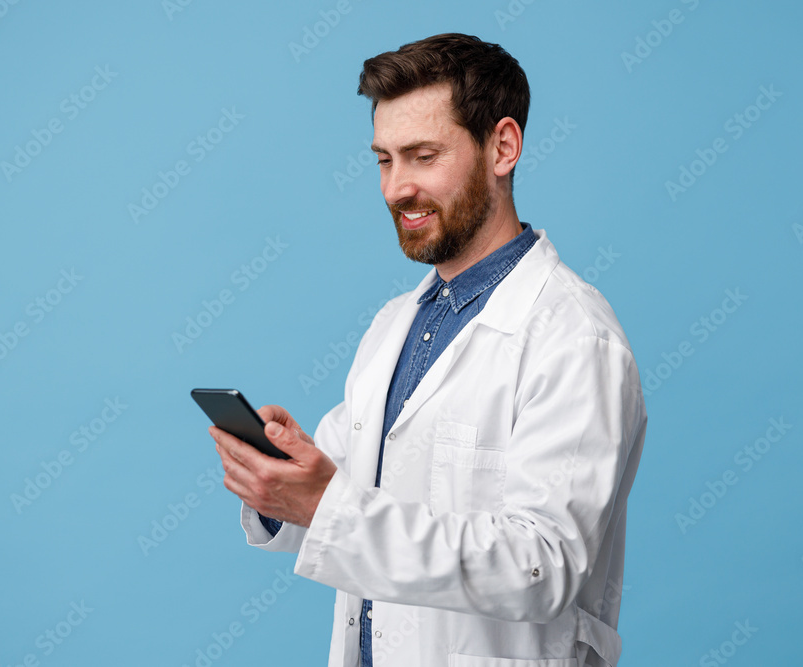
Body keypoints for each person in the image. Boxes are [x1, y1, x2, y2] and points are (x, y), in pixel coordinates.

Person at [210, 33, 647, 667]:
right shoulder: (395, 325)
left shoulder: (574, 337)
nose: (395, 189)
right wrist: (286, 478)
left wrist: (325, 502)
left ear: (503, 147)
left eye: (422, 156)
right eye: (384, 160)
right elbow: (348, 500)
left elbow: (542, 566)